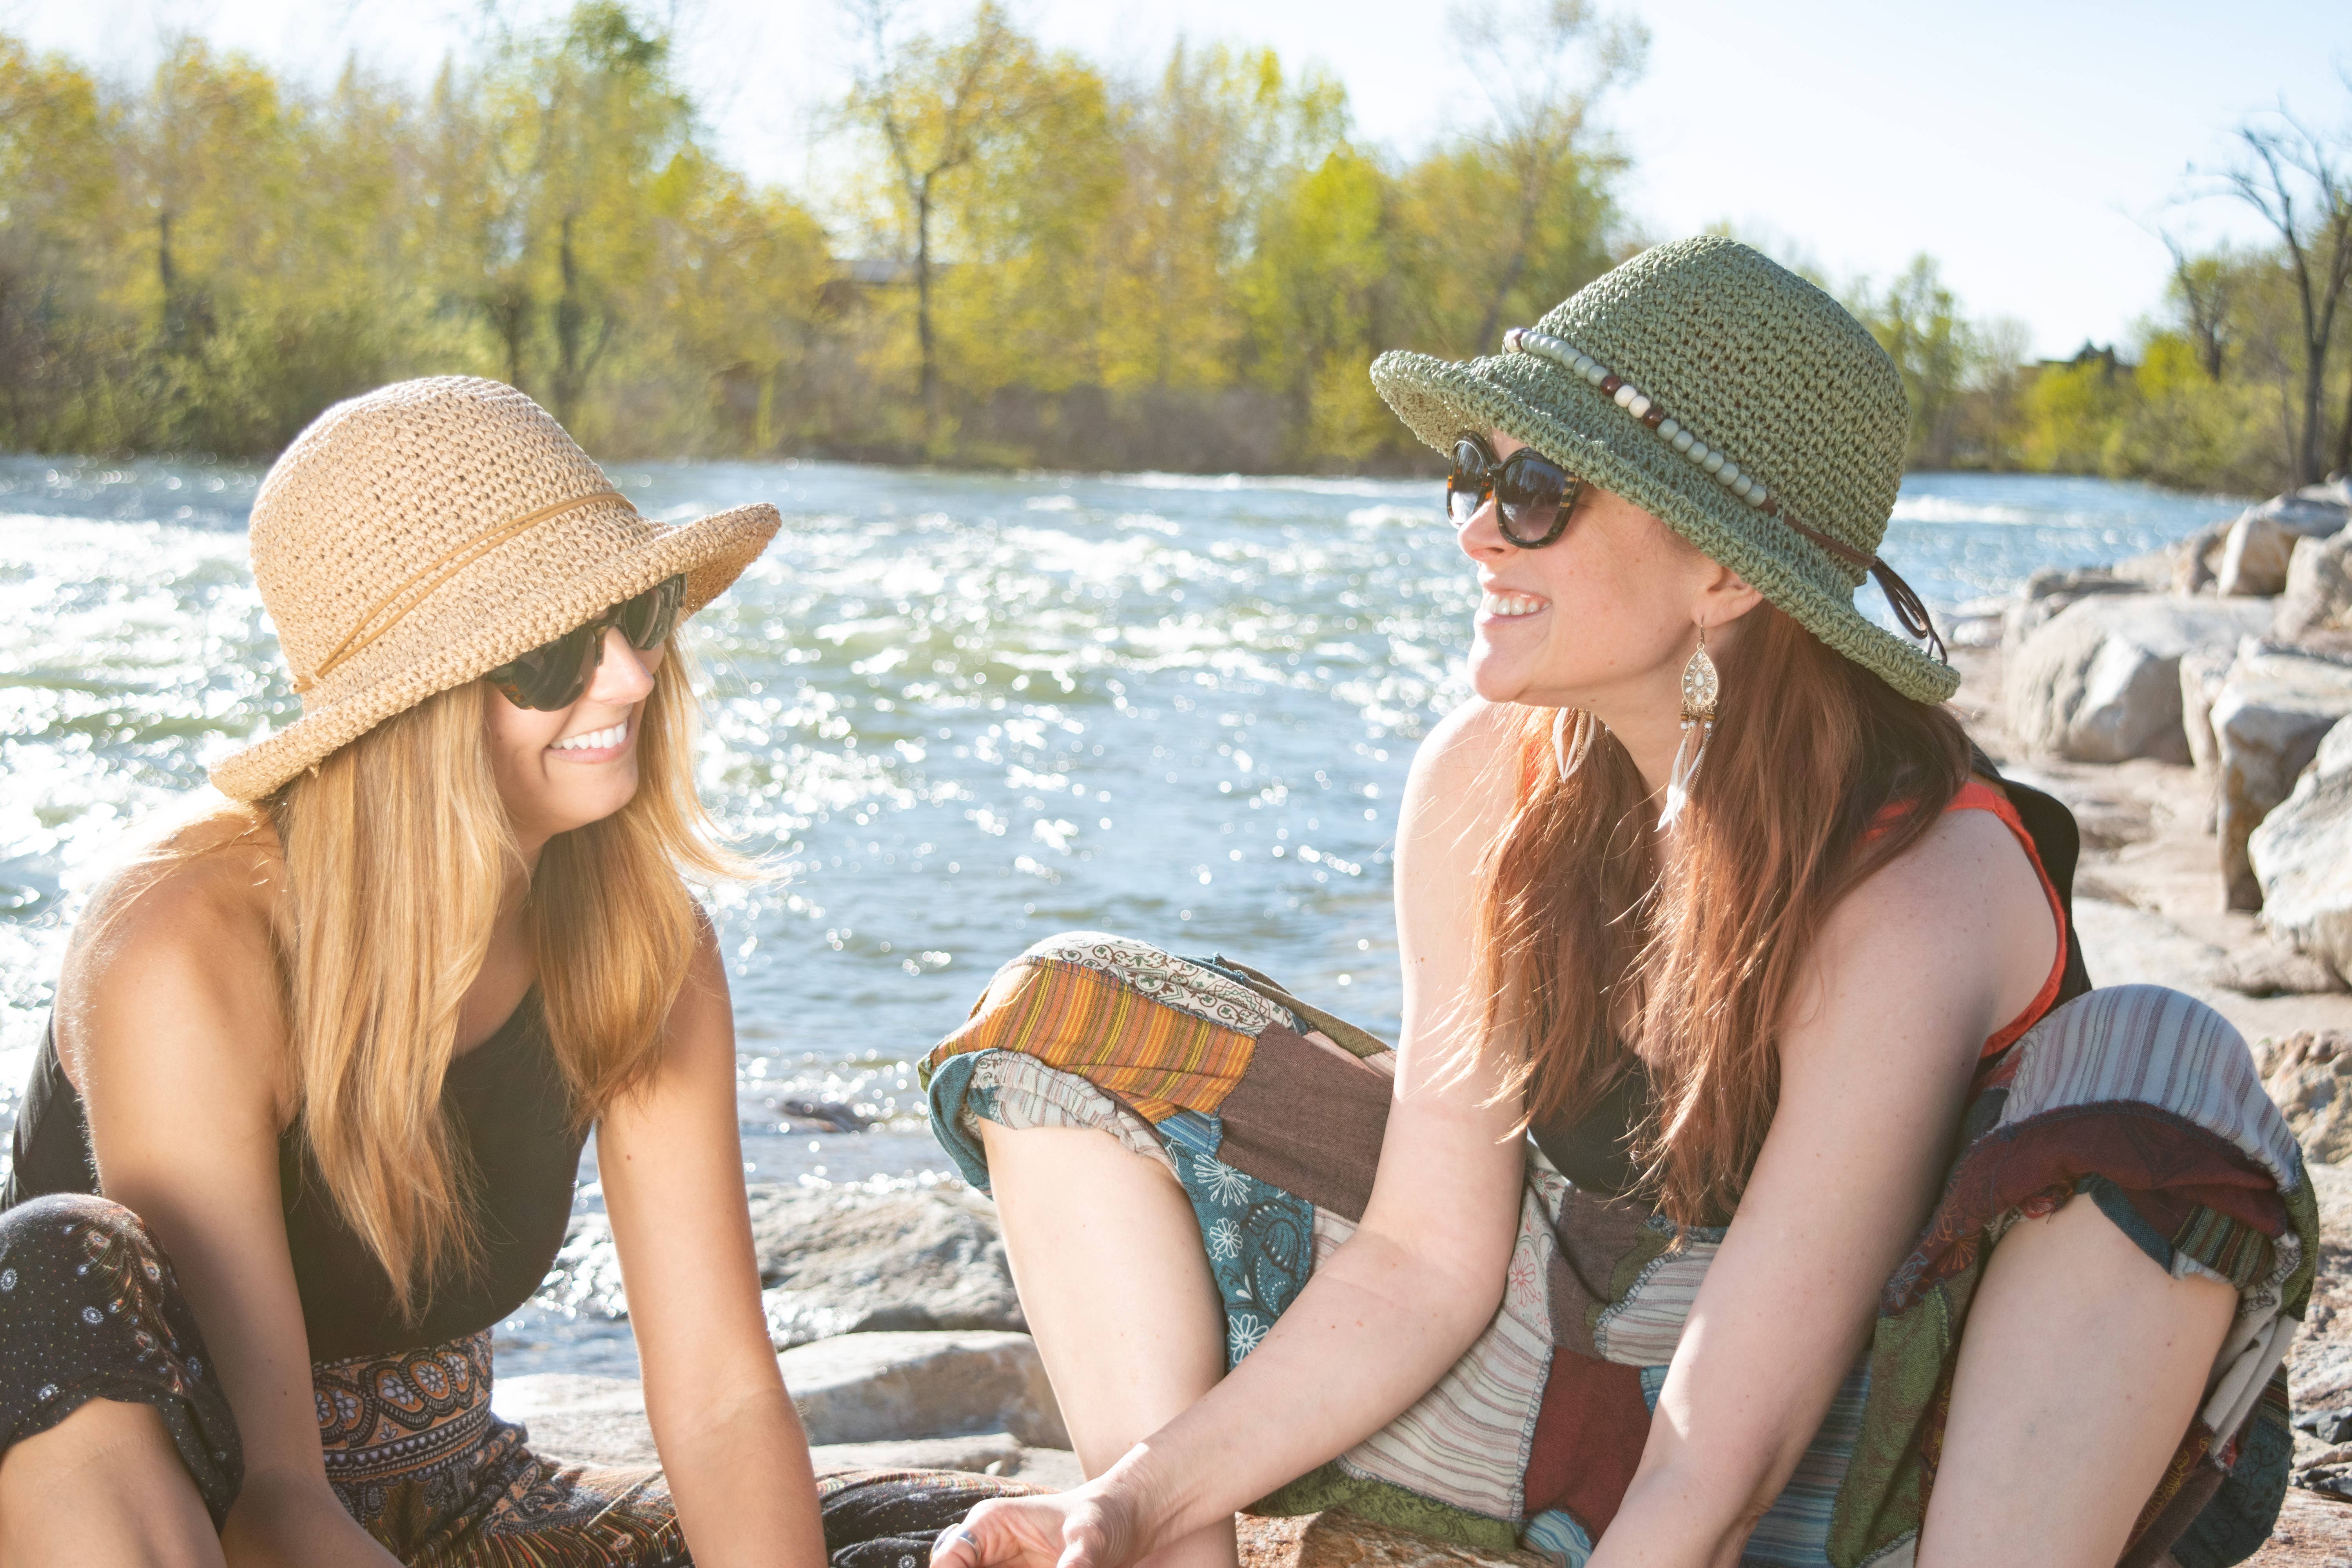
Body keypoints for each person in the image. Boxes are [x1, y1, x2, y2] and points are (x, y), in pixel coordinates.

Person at [917, 239, 2312, 1568]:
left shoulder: (1919, 881)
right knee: (1063, 1018)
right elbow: (1420, 1260)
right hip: (1567, 1382)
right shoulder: (1483, 785)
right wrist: (1133, 1496)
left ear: (1721, 570)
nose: (1475, 530)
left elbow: (1724, 1458)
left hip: (1896, 1460)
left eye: (1537, 490)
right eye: (1475, 472)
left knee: (2164, 1063)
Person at [0, 377, 834, 1566]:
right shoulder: (184, 949)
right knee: (45, 1261)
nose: (633, 678)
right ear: (408, 714)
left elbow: (720, 1398)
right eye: (551, 652)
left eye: (639, 612)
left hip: (448, 1500)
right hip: (181, 1518)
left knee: (947, 1541)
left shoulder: (644, 938)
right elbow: (278, 1499)